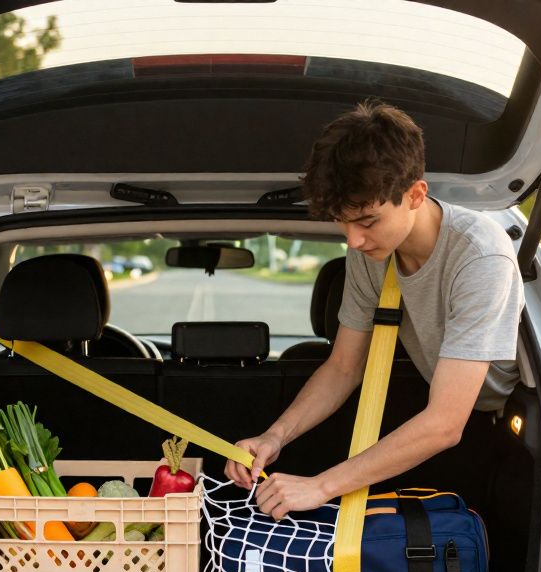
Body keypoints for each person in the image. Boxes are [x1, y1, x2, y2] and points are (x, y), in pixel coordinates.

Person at [224, 100, 524, 520]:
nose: (353, 241)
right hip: (435, 410)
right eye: (342, 222)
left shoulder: (480, 257)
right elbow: (343, 368)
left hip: (497, 425)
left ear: (416, 194)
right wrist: (274, 437)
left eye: (367, 222)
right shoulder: (370, 253)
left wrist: (320, 487)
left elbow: (444, 423)